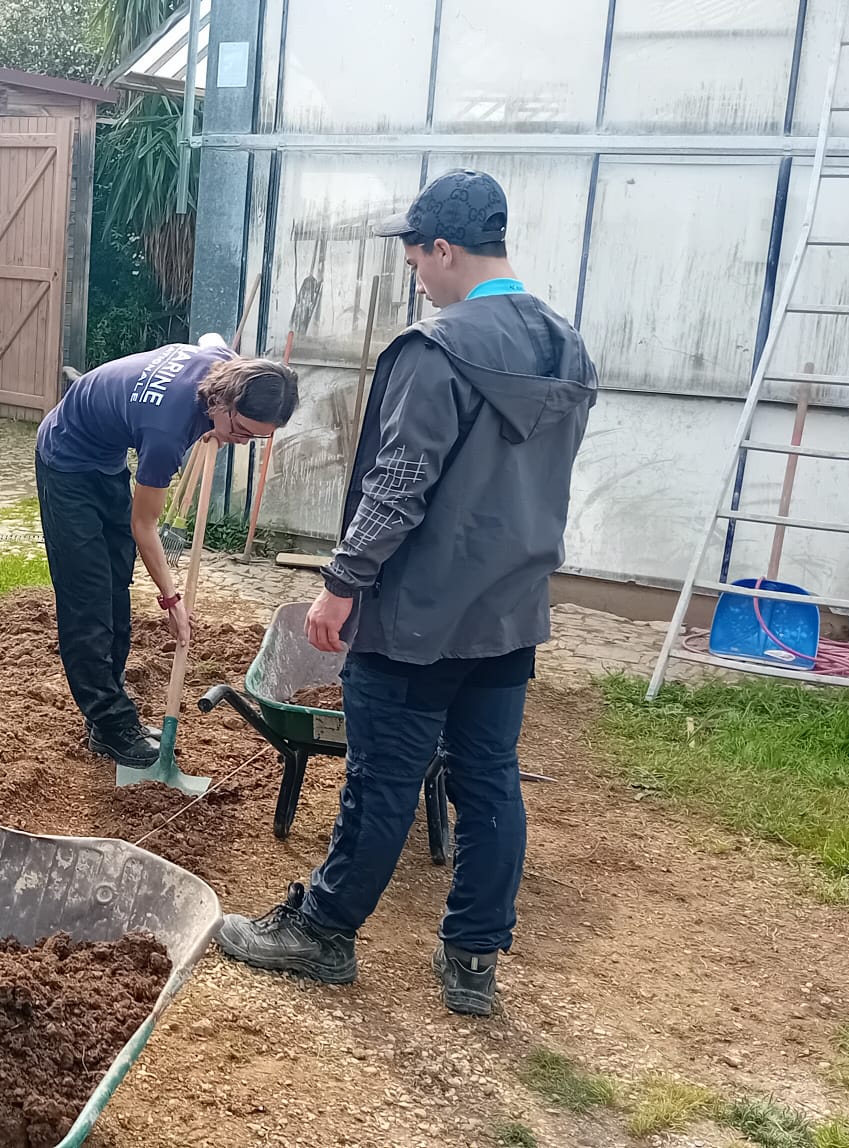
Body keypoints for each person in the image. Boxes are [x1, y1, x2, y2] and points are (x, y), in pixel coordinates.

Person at [213, 170, 598, 1016]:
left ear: (445, 249)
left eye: (417, 257)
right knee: (488, 778)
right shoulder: (566, 348)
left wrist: (343, 582)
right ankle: (473, 958)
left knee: (382, 779)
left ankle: (323, 933)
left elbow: (400, 480)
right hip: (509, 608)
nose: (415, 275)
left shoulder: (437, 349)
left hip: (420, 614)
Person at [34, 338, 298, 768]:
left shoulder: (226, 366)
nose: (243, 441)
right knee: (87, 598)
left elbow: (211, 339)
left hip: (105, 456)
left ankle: (107, 716)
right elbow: (144, 526)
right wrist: (171, 600)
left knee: (115, 585)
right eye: (241, 430)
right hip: (65, 458)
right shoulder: (165, 434)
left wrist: (218, 428)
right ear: (223, 401)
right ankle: (111, 723)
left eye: (257, 437)